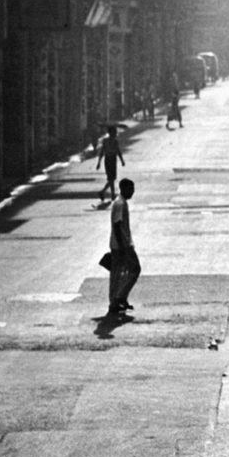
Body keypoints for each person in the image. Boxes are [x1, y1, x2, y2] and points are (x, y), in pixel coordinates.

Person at [108, 178, 140, 315]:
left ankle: (119, 299)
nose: (133, 191)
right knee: (134, 269)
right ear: (124, 188)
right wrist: (122, 247)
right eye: (131, 188)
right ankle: (118, 298)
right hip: (122, 245)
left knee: (121, 273)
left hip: (121, 244)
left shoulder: (120, 202)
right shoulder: (120, 203)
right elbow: (116, 225)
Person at [96, 124, 125, 203]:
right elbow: (102, 152)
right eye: (114, 132)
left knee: (112, 179)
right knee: (111, 178)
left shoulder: (113, 141)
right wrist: (99, 162)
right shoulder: (107, 141)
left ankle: (108, 194)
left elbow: (118, 151)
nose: (115, 134)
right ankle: (106, 193)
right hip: (109, 160)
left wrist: (122, 160)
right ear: (111, 133)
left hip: (112, 160)